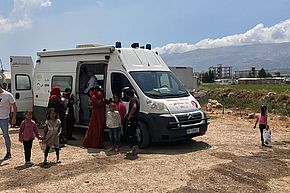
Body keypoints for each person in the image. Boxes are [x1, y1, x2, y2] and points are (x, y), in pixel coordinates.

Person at [0, 83, 17, 160]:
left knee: (6, 135)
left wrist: (13, 118)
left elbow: (14, 106)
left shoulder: (8, 95)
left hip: (4, 118)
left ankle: (8, 152)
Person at [125, 88, 140, 156]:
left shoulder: (133, 100)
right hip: (135, 118)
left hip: (132, 119)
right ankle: (134, 148)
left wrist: (129, 115)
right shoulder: (137, 98)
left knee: (130, 134)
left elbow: (134, 107)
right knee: (133, 133)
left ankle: (134, 148)